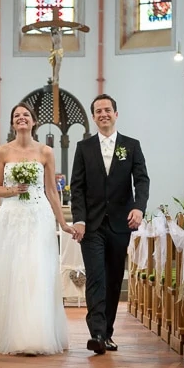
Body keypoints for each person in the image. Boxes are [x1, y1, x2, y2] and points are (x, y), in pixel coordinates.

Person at [0, 102, 75, 355]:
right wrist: (14, 190)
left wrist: (62, 222)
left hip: (38, 216)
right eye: (16, 116)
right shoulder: (2, 151)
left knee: (36, 270)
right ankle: (7, 333)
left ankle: (35, 334)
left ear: (33, 121)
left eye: (25, 115)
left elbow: (51, 191)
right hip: (12, 216)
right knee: (11, 269)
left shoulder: (46, 152)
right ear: (13, 123)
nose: (21, 118)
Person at [69, 94, 150, 354]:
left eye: (107, 110)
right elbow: (77, 187)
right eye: (98, 111)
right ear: (93, 117)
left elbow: (142, 180)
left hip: (120, 223)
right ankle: (97, 334)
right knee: (96, 278)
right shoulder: (84, 148)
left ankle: (108, 333)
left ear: (116, 114)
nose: (103, 114)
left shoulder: (132, 145)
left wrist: (138, 207)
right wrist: (79, 220)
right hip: (91, 225)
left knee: (114, 279)